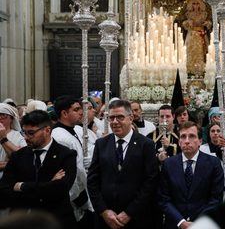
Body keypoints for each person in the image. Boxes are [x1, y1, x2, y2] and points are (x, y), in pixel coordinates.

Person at [87, 100, 159, 229]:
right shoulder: (101, 144)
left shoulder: (145, 144)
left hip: (136, 218)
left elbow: (150, 181)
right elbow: (92, 180)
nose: (115, 122)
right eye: (112, 118)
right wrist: (103, 211)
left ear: (130, 118)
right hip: (106, 218)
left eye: (120, 117)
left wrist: (129, 212)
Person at [0, 110, 77, 227]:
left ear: (47, 130)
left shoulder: (65, 155)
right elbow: (4, 189)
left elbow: (60, 189)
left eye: (31, 133)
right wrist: (48, 184)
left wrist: (21, 186)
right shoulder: (19, 155)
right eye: (24, 133)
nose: (26, 137)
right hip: (22, 219)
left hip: (55, 220)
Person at [158, 121, 224, 229]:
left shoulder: (213, 163)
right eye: (183, 137)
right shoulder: (169, 164)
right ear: (179, 142)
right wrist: (181, 222)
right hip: (175, 224)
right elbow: (164, 198)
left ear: (200, 141)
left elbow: (216, 199)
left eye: (192, 136)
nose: (187, 141)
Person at [51, 95, 93, 227]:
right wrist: (83, 200)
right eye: (76, 109)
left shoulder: (72, 131)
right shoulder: (60, 136)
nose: (81, 112)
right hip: (71, 199)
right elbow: (72, 173)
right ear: (64, 113)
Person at [0, 103, 26, 180]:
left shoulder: (17, 135)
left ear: (11, 119)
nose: (0, 118)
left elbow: (24, 155)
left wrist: (8, 164)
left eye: (3, 116)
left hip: (8, 179)